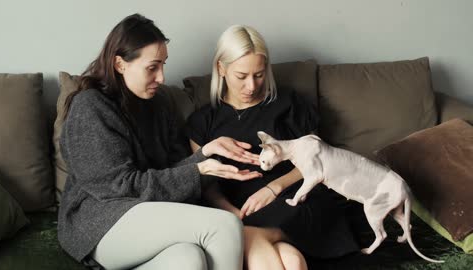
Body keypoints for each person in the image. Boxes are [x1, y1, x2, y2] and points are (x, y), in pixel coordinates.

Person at [58, 14, 263, 270]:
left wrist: (206, 154)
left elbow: (171, 171)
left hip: (144, 212)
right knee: (225, 225)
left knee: (188, 260)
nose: (162, 77)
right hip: (99, 221)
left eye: (163, 65)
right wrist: (200, 169)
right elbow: (120, 186)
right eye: (152, 67)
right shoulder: (90, 107)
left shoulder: (159, 105)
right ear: (120, 64)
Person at [186, 25, 361, 270]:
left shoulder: (289, 104)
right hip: (240, 209)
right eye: (242, 76)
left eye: (259, 74)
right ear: (221, 69)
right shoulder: (202, 121)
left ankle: (252, 232)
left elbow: (319, 160)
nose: (251, 85)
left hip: (296, 198)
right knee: (290, 260)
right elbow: (205, 181)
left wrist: (273, 188)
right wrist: (231, 212)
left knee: (248, 236)